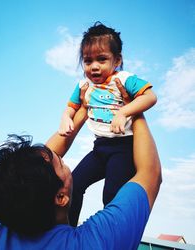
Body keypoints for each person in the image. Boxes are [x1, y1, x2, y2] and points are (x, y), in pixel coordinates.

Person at [0, 82, 162, 249]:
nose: (61, 158)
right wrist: (132, 108)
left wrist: (83, 108)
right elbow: (150, 174)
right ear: (61, 197)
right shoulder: (94, 241)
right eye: (61, 162)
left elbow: (40, 163)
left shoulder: (2, 222)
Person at [58, 22, 157, 226]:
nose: (94, 66)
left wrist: (124, 112)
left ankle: (108, 238)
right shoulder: (84, 85)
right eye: (88, 61)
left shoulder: (124, 78)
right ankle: (68, 231)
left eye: (102, 59)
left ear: (117, 60)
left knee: (111, 194)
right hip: (100, 147)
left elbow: (150, 97)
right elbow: (71, 107)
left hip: (124, 148)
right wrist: (65, 117)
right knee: (73, 184)